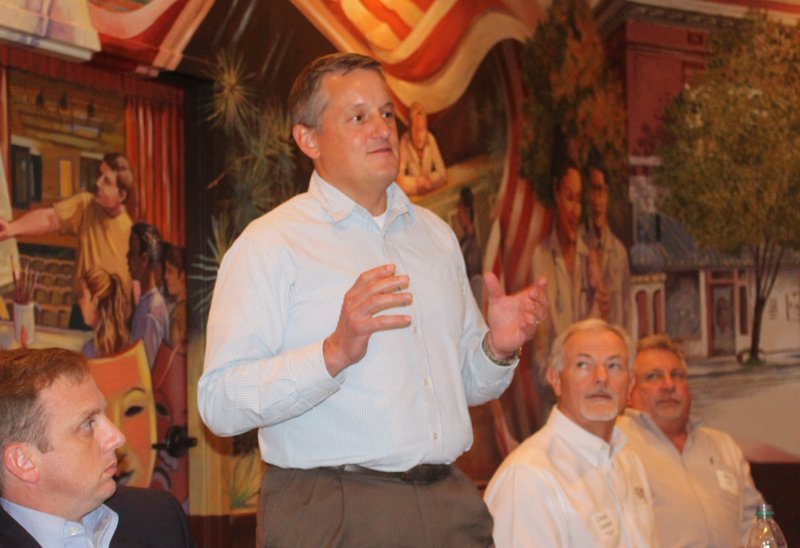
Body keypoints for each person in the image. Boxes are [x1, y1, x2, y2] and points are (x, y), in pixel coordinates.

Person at [198, 52, 548, 547]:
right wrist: (333, 352)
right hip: (334, 507)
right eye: (358, 116)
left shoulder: (436, 237)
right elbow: (220, 403)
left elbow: (469, 385)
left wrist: (497, 348)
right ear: (308, 139)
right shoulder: (271, 244)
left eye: (387, 114)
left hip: (450, 502)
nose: (383, 129)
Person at [484, 318, 658, 547]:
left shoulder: (629, 461)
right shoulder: (528, 475)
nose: (601, 378)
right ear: (555, 380)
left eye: (614, 365)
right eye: (583, 365)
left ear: (630, 384)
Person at [0, 347, 193, 547]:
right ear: (24, 461)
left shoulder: (157, 517)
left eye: (104, 415)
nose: (117, 437)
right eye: (88, 424)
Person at [617, 334, 763, 547]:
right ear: (628, 391)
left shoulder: (723, 446)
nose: (668, 385)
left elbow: (755, 522)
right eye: (653, 376)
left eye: (677, 375)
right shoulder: (617, 445)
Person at [0, 153, 134, 301]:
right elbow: (49, 218)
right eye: (100, 175)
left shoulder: (131, 232)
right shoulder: (86, 205)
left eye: (106, 181)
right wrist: (12, 228)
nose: (98, 183)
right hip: (83, 306)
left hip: (113, 310)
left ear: (121, 195)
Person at [585, 157, 631, 332]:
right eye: (593, 191)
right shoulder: (580, 249)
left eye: (602, 191)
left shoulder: (619, 253)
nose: (597, 201)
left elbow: (627, 310)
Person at [127, 222, 169, 370]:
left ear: (144, 259)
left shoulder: (152, 310)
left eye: (132, 253)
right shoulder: (145, 303)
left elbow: (147, 368)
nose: (127, 258)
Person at [397, 101, 447, 196]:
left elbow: (442, 174)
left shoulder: (430, 139)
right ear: (410, 128)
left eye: (421, 129)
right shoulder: (404, 141)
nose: (419, 135)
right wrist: (416, 183)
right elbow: (399, 180)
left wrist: (429, 181)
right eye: (415, 129)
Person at [78, 266, 130, 358]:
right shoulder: (125, 345)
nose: (79, 301)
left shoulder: (90, 351)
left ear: (95, 301)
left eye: (82, 295)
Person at [457, 186, 483, 303]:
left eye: (460, 210)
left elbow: (474, 276)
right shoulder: (463, 240)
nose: (458, 215)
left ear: (467, 211)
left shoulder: (473, 244)